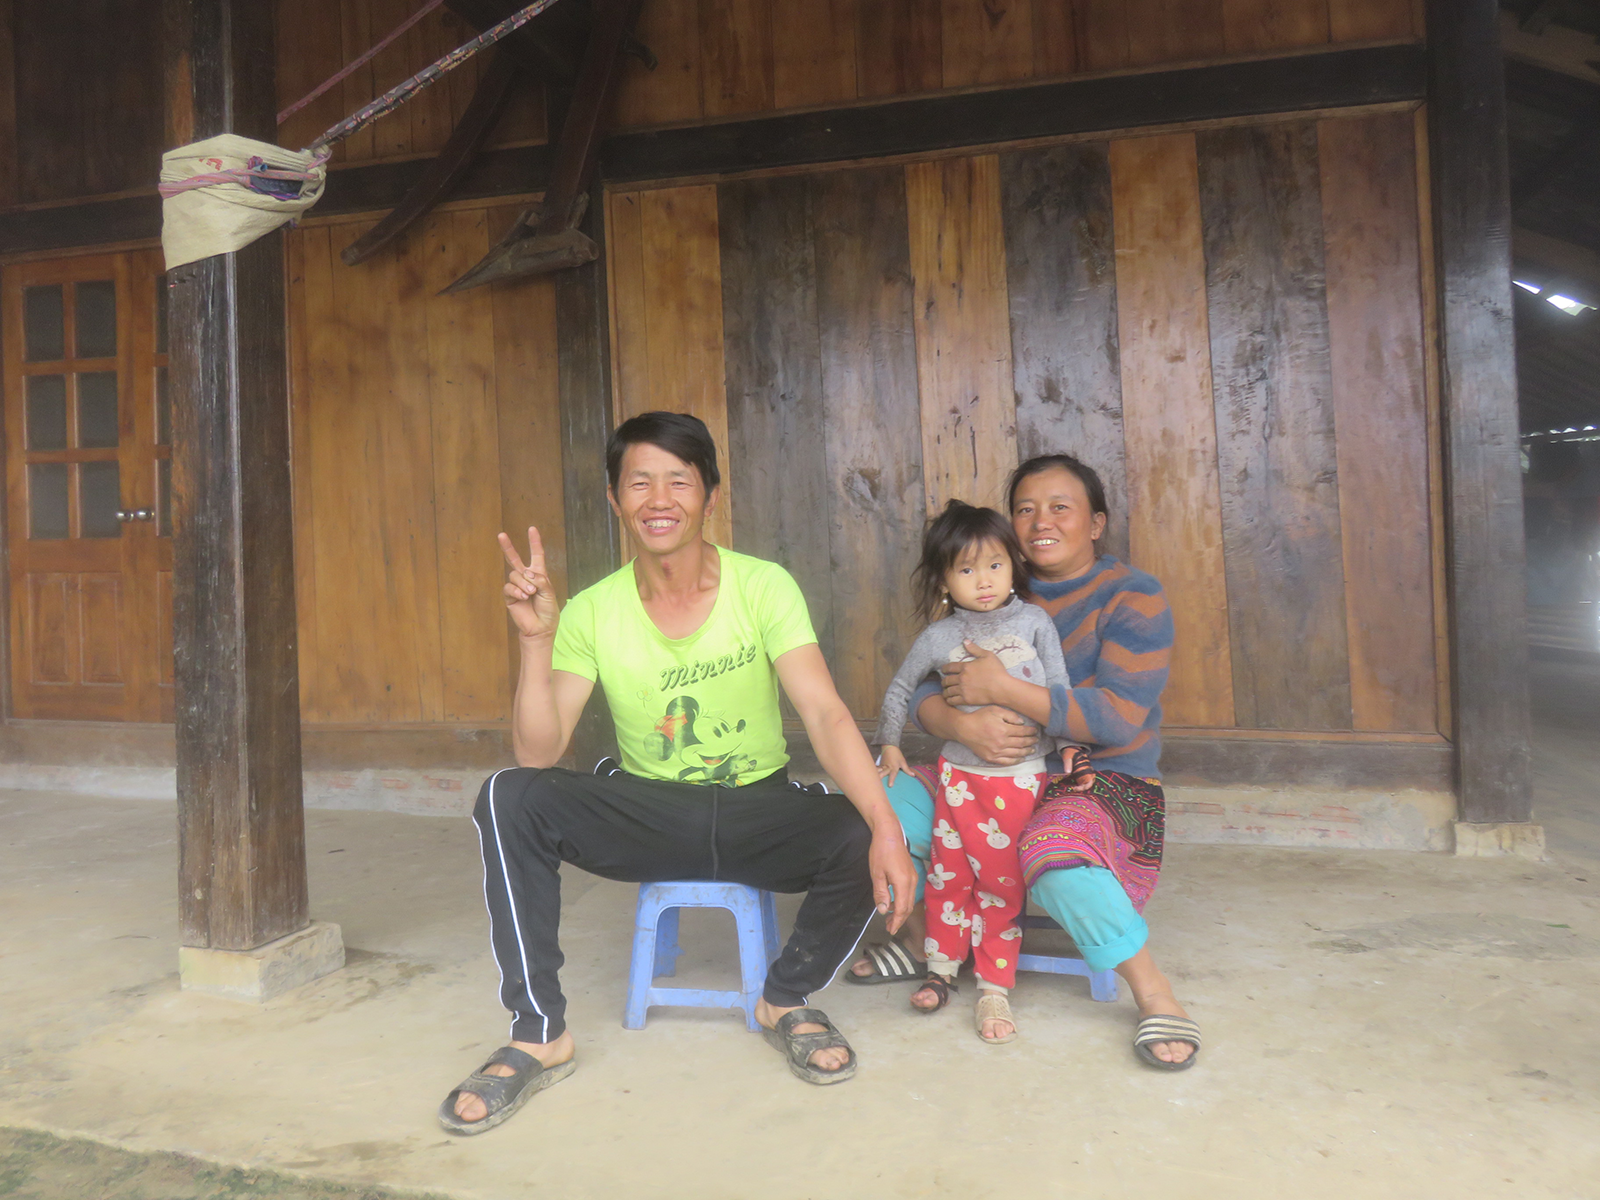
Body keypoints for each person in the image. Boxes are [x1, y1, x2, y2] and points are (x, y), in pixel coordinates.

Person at [440, 411, 919, 1134]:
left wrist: (885, 826)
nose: (658, 499)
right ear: (614, 499)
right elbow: (538, 754)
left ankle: (784, 998)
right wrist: (537, 640)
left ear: (711, 496)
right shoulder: (592, 611)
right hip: (649, 813)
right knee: (510, 794)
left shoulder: (763, 587)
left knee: (868, 822)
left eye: (678, 481)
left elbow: (823, 715)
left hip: (758, 806)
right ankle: (539, 1031)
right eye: (639, 482)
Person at [850, 454, 1201, 1070]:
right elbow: (929, 691)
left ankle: (1152, 991)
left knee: (1056, 857)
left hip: (1097, 777)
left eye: (1060, 507)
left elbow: (1120, 715)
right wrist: (964, 724)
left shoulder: (1133, 595)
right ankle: (923, 940)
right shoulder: (988, 582)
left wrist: (1004, 690)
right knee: (876, 808)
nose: (1040, 521)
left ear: (1096, 523)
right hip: (982, 774)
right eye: (1025, 508)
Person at [874, 501, 1078, 1044]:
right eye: (965, 570)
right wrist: (888, 745)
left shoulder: (1036, 623)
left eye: (993, 565)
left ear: (1014, 563)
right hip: (958, 780)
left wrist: (1069, 755)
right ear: (944, 579)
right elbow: (899, 689)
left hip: (1020, 782)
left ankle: (994, 987)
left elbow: (1059, 695)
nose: (982, 581)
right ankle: (940, 970)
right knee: (948, 875)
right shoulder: (938, 638)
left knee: (1000, 886)